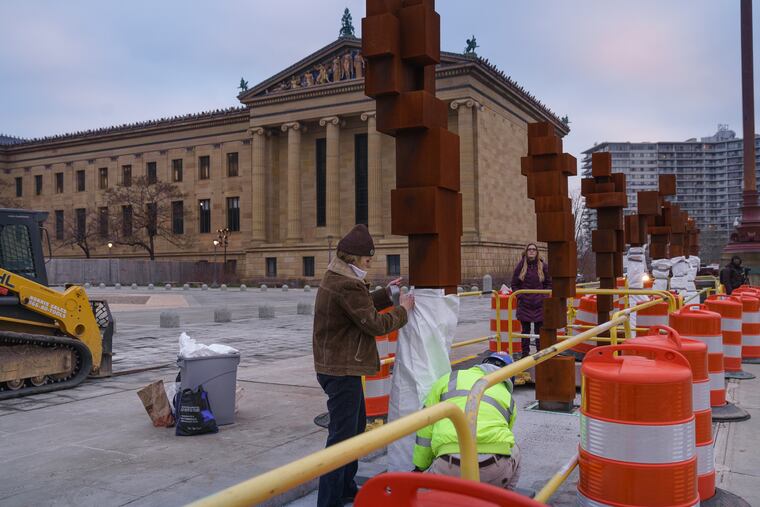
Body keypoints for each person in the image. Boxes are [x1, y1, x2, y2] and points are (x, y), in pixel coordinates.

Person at [313, 224, 415, 507]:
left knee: (354, 430)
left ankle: (345, 488)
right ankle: (329, 500)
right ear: (355, 258)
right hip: (341, 369)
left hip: (337, 366)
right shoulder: (347, 284)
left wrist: (384, 294)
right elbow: (373, 323)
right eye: (368, 261)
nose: (369, 266)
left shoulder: (337, 277)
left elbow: (357, 308)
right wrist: (403, 309)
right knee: (342, 439)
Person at [412, 352, 521, 490]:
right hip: (493, 469)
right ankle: (501, 498)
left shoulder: (448, 379)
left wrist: (420, 467)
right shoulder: (508, 398)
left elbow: (425, 429)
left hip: (447, 466)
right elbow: (506, 440)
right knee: (515, 448)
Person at [510, 243, 551, 358]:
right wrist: (521, 296)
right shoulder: (521, 266)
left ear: (537, 252)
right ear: (526, 252)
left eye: (534, 249)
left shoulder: (543, 266)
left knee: (539, 332)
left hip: (539, 304)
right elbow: (514, 284)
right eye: (529, 250)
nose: (532, 251)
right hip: (525, 304)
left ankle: (539, 354)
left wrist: (543, 296)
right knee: (525, 332)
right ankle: (525, 355)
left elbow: (549, 283)